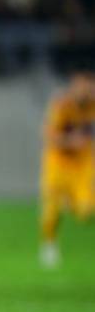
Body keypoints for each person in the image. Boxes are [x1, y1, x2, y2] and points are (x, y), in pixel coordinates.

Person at [39, 72, 95, 267]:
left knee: (86, 213)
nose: (85, 90)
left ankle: (68, 202)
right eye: (81, 85)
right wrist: (71, 141)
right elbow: (48, 136)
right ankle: (49, 244)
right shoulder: (61, 104)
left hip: (82, 165)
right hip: (58, 163)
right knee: (51, 210)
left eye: (88, 86)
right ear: (74, 85)